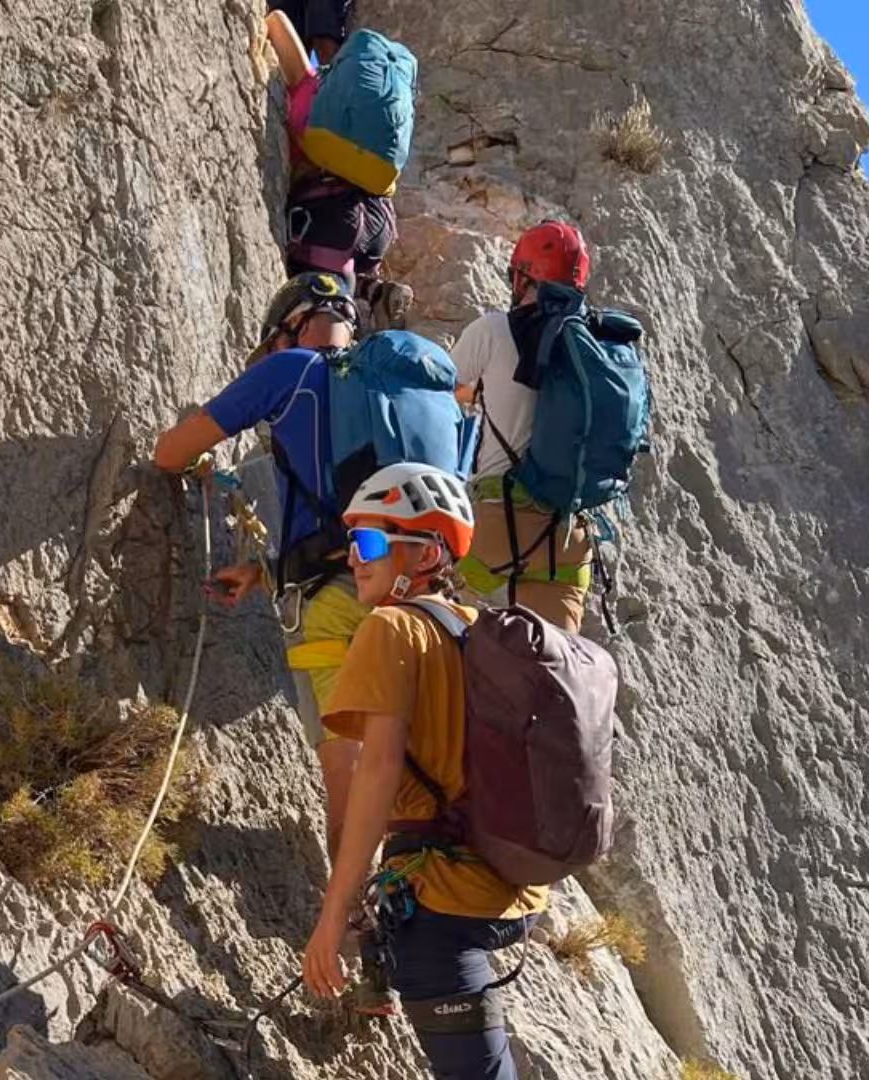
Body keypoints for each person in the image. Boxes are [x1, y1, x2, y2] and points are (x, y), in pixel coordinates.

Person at [303, 462, 544, 1080]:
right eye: (353, 541)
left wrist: (335, 912)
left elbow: (374, 778)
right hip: (506, 888)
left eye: (374, 540)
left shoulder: (389, 628)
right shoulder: (477, 628)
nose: (356, 556)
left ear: (429, 551)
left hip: (442, 904)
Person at [152, 272, 368, 860]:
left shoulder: (289, 369)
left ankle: (351, 927)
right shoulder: (392, 381)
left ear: (289, 330)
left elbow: (169, 453)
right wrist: (268, 572)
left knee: (347, 769)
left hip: (331, 604)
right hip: (413, 590)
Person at [450, 221, 597, 632]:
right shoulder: (592, 347)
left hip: (500, 519)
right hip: (569, 540)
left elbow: (444, 392)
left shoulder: (494, 329)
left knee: (429, 619)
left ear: (521, 276)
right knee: (550, 677)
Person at [264, 9, 410, 331]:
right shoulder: (360, 128)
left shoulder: (308, 89)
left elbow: (275, 20)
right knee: (346, 274)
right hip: (378, 220)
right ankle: (372, 291)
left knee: (320, 311)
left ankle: (344, 321)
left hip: (329, 218)